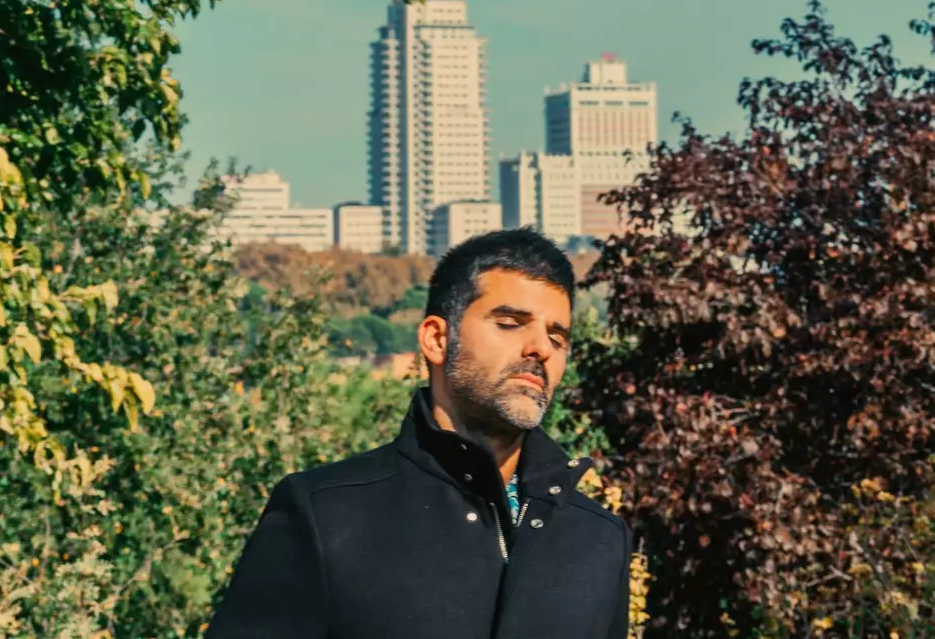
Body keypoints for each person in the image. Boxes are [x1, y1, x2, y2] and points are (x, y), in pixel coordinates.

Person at [206, 225, 632, 639]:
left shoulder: (597, 538)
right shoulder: (326, 513)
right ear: (435, 339)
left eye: (557, 337)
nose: (540, 347)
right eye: (509, 322)